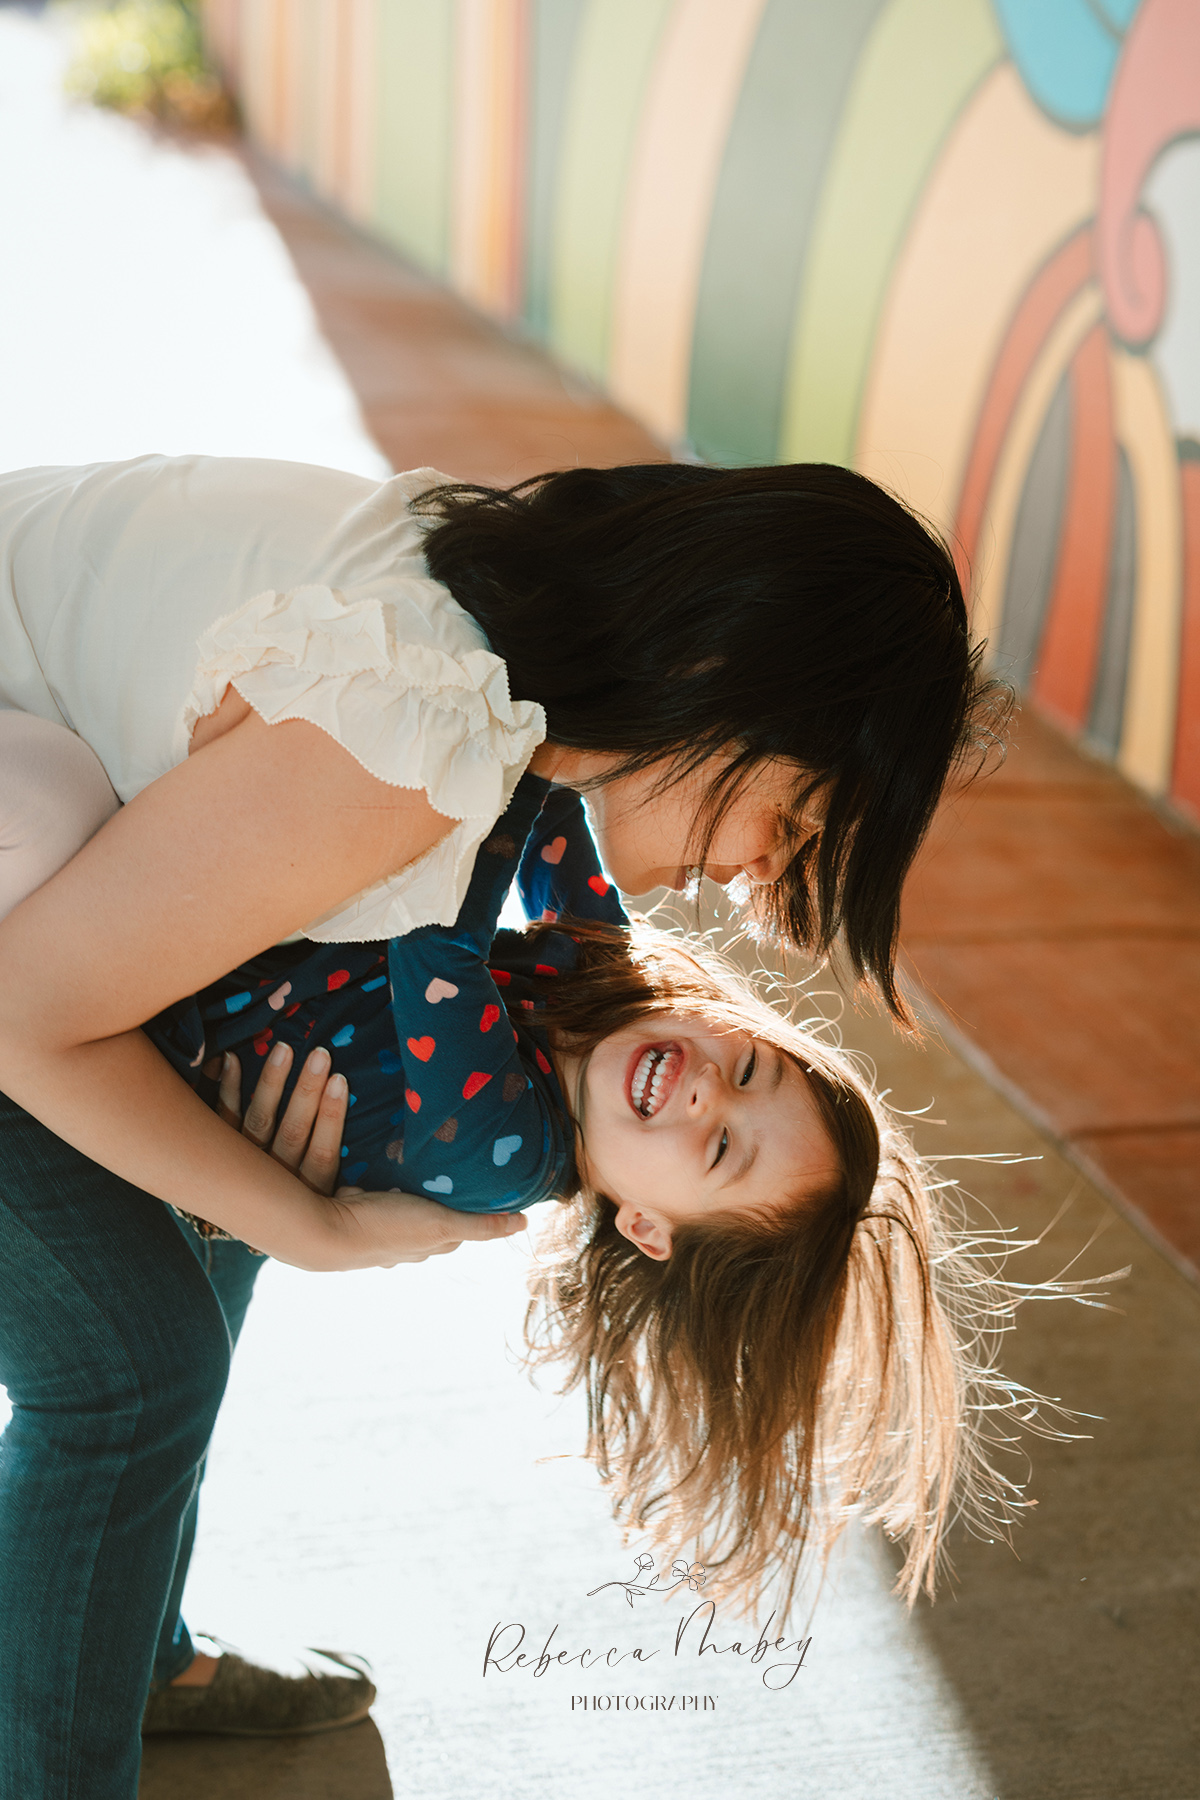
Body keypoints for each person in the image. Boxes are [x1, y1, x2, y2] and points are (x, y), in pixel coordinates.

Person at [0, 453, 996, 1794]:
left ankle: (130, 1650)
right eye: (796, 817)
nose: (764, 878)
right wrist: (318, 1224)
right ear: (720, 681)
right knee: (131, 1372)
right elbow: (23, 1013)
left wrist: (242, 1195)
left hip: (34, 841)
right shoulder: (422, 728)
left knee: (211, 1218)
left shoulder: (501, 682)